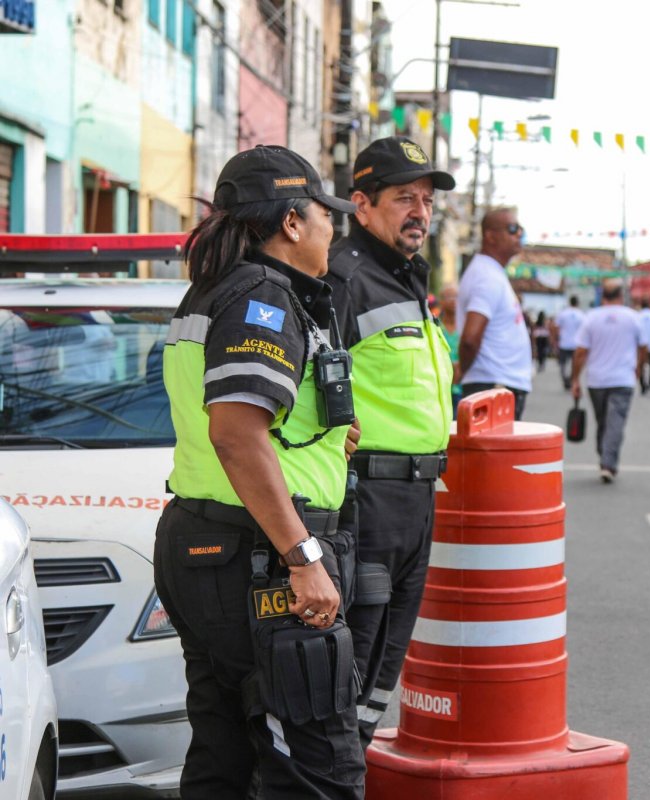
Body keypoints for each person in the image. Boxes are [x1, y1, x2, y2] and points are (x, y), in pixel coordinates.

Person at [153, 145, 363, 798]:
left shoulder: (213, 288)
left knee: (225, 757)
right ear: (292, 223)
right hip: (259, 557)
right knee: (318, 769)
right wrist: (301, 555)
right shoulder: (263, 296)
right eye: (324, 214)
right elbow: (237, 435)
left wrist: (325, 442)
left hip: (207, 546)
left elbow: (250, 422)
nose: (333, 229)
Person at [323, 136, 456, 746]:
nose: (420, 212)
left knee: (381, 678)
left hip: (417, 503)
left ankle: (353, 772)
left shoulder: (404, 283)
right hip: (366, 503)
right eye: (405, 197)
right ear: (361, 204)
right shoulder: (345, 278)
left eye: (426, 200)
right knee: (348, 674)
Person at [571, 280, 649, 483]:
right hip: (623, 379)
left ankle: (606, 460)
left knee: (604, 422)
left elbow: (580, 352)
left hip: (597, 380)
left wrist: (575, 379)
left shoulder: (591, 318)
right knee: (613, 423)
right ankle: (607, 459)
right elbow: (644, 347)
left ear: (602, 296)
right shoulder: (633, 318)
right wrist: (639, 368)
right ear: (621, 296)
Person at [458, 208, 533, 418]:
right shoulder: (486, 276)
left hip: (496, 385)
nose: (519, 234)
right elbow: (471, 338)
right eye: (512, 229)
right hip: (493, 387)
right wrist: (463, 371)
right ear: (490, 235)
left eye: (520, 229)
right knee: (494, 451)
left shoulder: (492, 272)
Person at [439, 284, 463, 413]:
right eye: (449, 297)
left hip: (462, 388)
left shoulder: (466, 326)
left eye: (456, 297)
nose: (453, 300)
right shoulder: (435, 326)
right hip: (441, 388)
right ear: (441, 301)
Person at [553, 296, 584, 391]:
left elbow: (556, 327)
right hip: (576, 344)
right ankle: (571, 379)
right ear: (578, 303)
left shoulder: (563, 313)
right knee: (574, 364)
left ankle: (565, 378)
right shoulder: (581, 315)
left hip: (564, 343)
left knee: (563, 363)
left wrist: (556, 339)